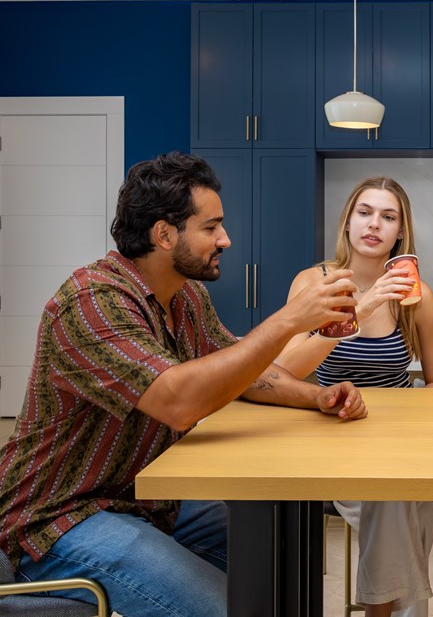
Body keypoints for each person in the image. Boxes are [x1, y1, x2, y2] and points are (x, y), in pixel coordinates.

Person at [0, 152, 367, 616]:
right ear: (164, 234)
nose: (226, 239)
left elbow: (236, 365)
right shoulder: (92, 302)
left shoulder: (186, 296)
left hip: (143, 500)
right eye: (211, 227)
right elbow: (179, 401)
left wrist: (317, 396)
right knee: (223, 608)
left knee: (281, 556)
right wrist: (290, 320)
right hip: (59, 518)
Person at [275, 176, 433, 617]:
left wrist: (415, 430)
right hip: (333, 431)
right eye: (365, 212)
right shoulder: (315, 282)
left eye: (388, 217)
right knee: (401, 500)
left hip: (398, 437)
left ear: (400, 232)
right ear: (348, 221)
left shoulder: (417, 295)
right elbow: (281, 369)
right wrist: (361, 308)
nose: (375, 224)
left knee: (398, 494)